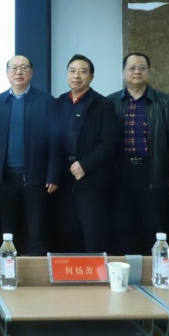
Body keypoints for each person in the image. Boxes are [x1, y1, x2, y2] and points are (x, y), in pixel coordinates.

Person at [108, 53, 169, 255]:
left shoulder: (165, 101)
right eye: (132, 68)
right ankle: (126, 266)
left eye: (142, 68)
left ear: (148, 72)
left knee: (154, 224)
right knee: (123, 224)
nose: (137, 72)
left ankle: (154, 267)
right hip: (120, 172)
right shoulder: (110, 102)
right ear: (123, 72)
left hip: (153, 170)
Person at [0, 55, 60, 255]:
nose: (18, 72)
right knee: (8, 230)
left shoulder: (46, 101)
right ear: (7, 73)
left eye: (24, 68)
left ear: (31, 72)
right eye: (14, 68)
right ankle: (9, 269)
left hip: (36, 177)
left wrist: (53, 174)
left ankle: (36, 270)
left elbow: (56, 141)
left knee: (37, 230)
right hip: (5, 178)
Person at [55, 55, 118, 253]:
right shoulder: (58, 103)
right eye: (72, 71)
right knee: (66, 230)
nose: (76, 76)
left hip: (90, 177)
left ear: (91, 77)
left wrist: (85, 165)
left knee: (92, 231)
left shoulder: (102, 104)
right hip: (62, 177)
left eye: (82, 71)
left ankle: (93, 271)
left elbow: (109, 142)